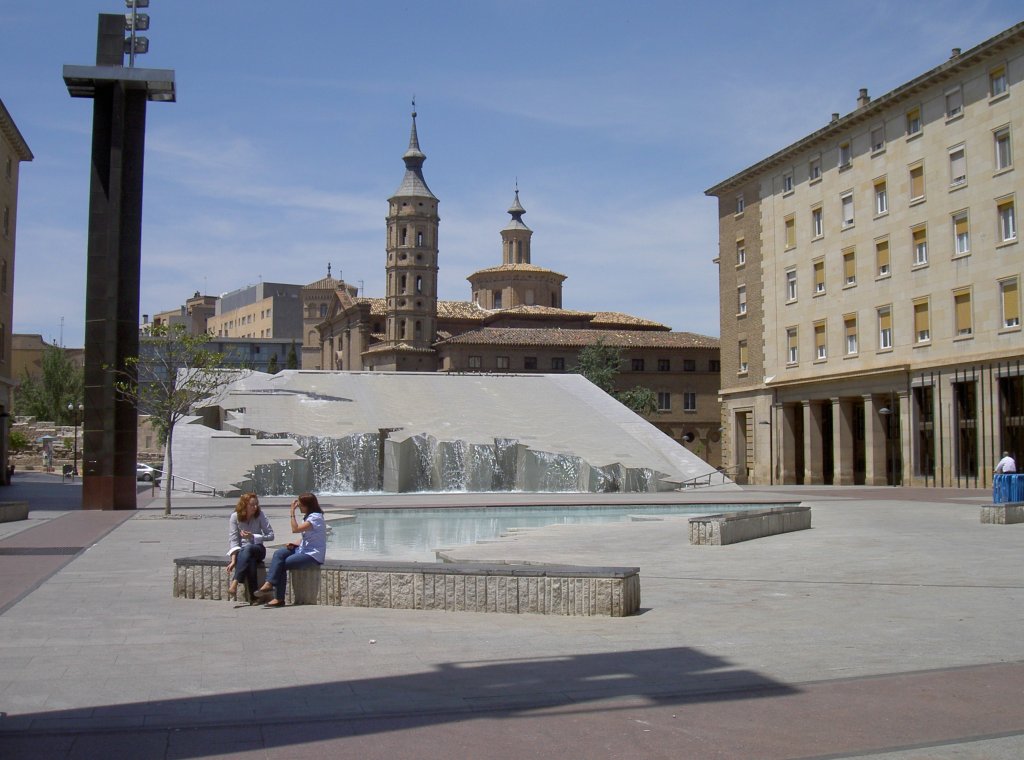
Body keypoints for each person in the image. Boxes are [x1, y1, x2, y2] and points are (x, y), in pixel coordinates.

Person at [255, 493, 326, 608]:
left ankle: (278, 597)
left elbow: (295, 529)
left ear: (308, 506)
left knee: (283, 564)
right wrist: (295, 543)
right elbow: (308, 537)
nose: (299, 508)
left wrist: (292, 512)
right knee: (279, 553)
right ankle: (270, 584)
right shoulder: (309, 516)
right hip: (303, 549)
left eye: (301, 505)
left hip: (312, 554)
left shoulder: (316, 518)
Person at [226, 493, 274, 603]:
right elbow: (234, 540)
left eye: (256, 504)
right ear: (244, 505)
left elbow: (271, 535)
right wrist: (233, 560)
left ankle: (235, 582)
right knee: (249, 559)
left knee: (248, 549)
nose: (255, 507)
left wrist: (253, 536)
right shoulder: (235, 517)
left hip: (258, 549)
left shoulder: (260, 515)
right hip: (242, 551)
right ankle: (254, 596)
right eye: (252, 505)